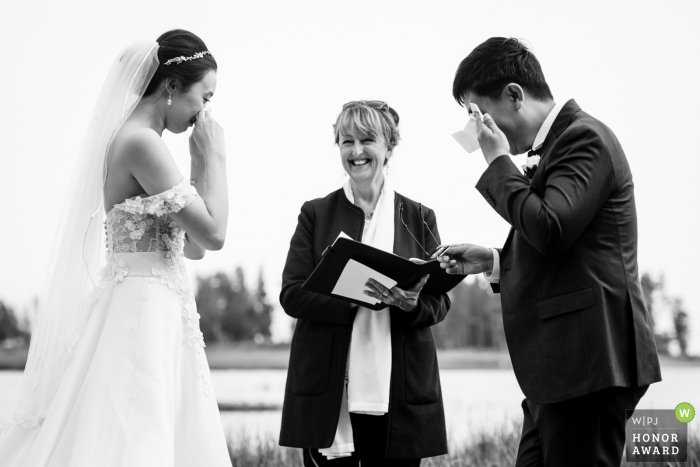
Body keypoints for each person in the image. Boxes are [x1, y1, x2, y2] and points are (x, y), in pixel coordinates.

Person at [0, 30, 232, 466]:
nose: (206, 111)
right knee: (133, 435)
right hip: (141, 309)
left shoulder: (148, 143)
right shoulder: (142, 143)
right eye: (205, 96)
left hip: (161, 306)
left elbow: (196, 249)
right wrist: (216, 154)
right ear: (170, 87)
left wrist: (198, 159)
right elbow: (215, 234)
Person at [439, 37, 661, 466]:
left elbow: (551, 229)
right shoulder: (559, 145)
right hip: (559, 374)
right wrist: (494, 259)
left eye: (479, 114)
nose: (477, 129)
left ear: (514, 96)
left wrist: (498, 162)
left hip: (591, 368)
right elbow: (558, 245)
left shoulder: (585, 138)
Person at [278, 101, 451, 466]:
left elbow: (440, 300)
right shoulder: (315, 213)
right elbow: (292, 295)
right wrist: (355, 297)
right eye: (346, 141)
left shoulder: (420, 217)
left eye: (367, 140)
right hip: (330, 388)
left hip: (399, 388)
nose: (356, 151)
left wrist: (411, 304)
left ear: (389, 146)